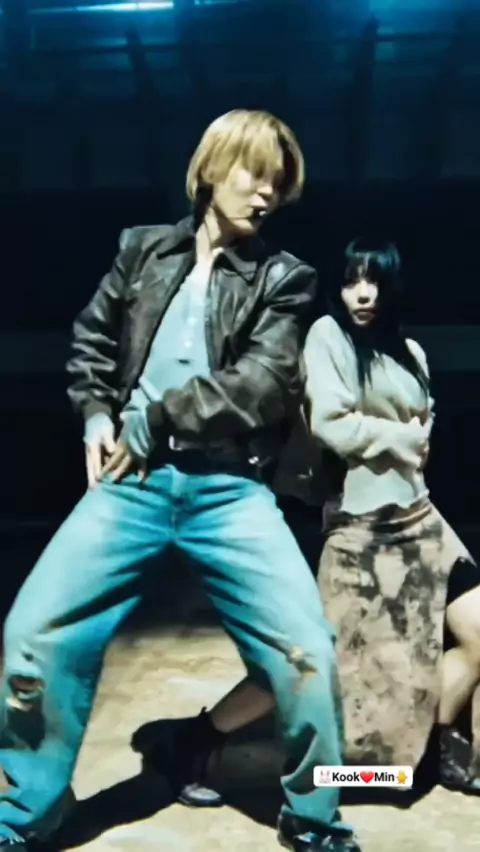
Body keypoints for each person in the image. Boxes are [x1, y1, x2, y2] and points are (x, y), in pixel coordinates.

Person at [0, 110, 361, 852]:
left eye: (278, 184)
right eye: (253, 174)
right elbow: (92, 342)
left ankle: (317, 821)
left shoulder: (284, 277)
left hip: (229, 491)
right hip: (131, 485)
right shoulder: (142, 250)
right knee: (33, 633)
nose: (266, 194)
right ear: (209, 170)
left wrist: (156, 417)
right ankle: (27, 814)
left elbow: (262, 383)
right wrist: (96, 415)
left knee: (308, 652)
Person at [135, 237, 480, 807]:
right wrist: (404, 436)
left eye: (373, 281)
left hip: (423, 520)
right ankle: (192, 741)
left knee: (477, 635)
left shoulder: (411, 352)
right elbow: (333, 426)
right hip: (362, 529)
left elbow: (427, 426)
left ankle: (435, 750)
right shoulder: (327, 337)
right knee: (307, 659)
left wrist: (410, 436)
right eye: (351, 281)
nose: (362, 293)